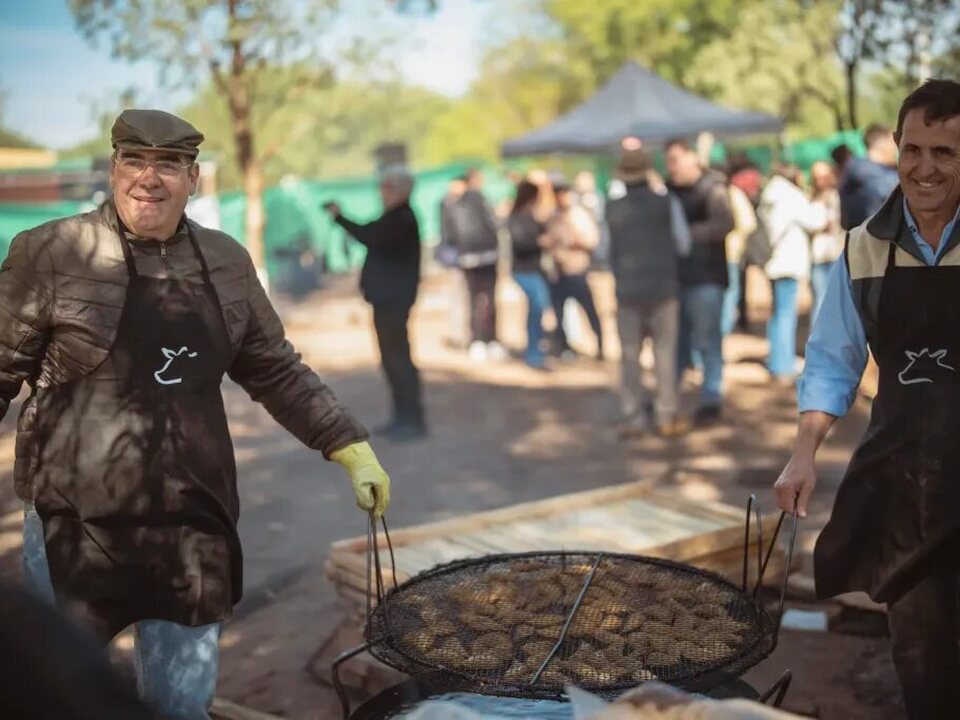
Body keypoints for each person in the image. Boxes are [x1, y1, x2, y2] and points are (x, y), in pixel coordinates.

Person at [0, 109, 391, 720]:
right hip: (73, 526)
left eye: (168, 165)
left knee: (181, 706)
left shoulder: (225, 261)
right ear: (113, 170)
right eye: (134, 161)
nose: (148, 178)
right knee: (64, 701)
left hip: (190, 525)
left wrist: (348, 444)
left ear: (194, 179)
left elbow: (274, 367)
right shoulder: (51, 252)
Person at [774, 79, 960, 720]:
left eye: (945, 152)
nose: (925, 167)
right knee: (920, 653)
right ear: (896, 149)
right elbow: (832, 361)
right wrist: (804, 453)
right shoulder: (863, 247)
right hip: (910, 482)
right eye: (914, 149)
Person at [326, 166, 426, 441]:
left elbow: (370, 236)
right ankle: (403, 416)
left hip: (393, 301)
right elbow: (369, 233)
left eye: (385, 187)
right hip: (388, 300)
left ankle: (410, 419)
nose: (381, 193)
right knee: (393, 359)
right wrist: (340, 218)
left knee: (398, 360)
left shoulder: (401, 219)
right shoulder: (396, 218)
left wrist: (340, 218)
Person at [606, 143, 692, 438]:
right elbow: (684, 244)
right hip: (664, 288)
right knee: (664, 352)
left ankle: (633, 417)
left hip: (627, 290)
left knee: (630, 355)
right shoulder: (668, 203)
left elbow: (603, 250)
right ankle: (665, 414)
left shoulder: (611, 208)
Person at [665, 138, 735, 423]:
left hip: (706, 277)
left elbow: (725, 224)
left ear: (692, 158)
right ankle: (670, 397)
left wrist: (686, 234)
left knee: (707, 339)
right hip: (678, 278)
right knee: (677, 341)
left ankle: (711, 397)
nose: (672, 167)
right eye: (668, 161)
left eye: (676, 160)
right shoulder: (669, 190)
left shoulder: (712, 188)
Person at [758, 164, 828, 384]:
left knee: (778, 314)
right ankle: (783, 365)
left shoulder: (770, 196)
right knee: (787, 314)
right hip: (788, 263)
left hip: (773, 262)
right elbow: (815, 221)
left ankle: (778, 360)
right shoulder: (791, 197)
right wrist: (820, 204)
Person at [544, 180, 605, 361]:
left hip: (577, 270)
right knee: (559, 312)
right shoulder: (553, 217)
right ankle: (563, 347)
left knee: (589, 311)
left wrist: (573, 240)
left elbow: (592, 241)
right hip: (558, 272)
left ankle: (600, 343)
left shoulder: (579, 215)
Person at [448, 167, 504, 362]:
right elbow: (495, 224)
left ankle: (477, 341)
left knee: (473, 300)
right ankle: (490, 340)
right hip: (486, 256)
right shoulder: (480, 200)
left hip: (468, 258)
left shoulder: (454, 203)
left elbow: (450, 233)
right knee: (488, 299)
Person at [507, 180, 552, 370]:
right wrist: (539, 242)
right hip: (524, 270)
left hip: (533, 269)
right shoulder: (517, 218)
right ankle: (534, 352)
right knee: (537, 308)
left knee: (538, 310)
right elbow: (520, 243)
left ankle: (536, 350)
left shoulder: (531, 216)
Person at [838, 123, 899, 229]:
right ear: (882, 143)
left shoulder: (885, 170)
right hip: (869, 240)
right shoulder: (860, 168)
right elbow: (895, 191)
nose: (897, 148)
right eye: (893, 142)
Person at [721, 173, 758, 336]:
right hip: (732, 253)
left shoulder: (709, 191)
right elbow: (749, 223)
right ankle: (724, 329)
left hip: (710, 252)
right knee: (730, 292)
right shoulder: (734, 193)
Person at [808, 160, 844, 320]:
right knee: (820, 299)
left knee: (835, 300)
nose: (820, 181)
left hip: (835, 254)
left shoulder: (837, 197)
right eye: (817, 177)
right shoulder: (810, 198)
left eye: (823, 176)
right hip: (817, 256)